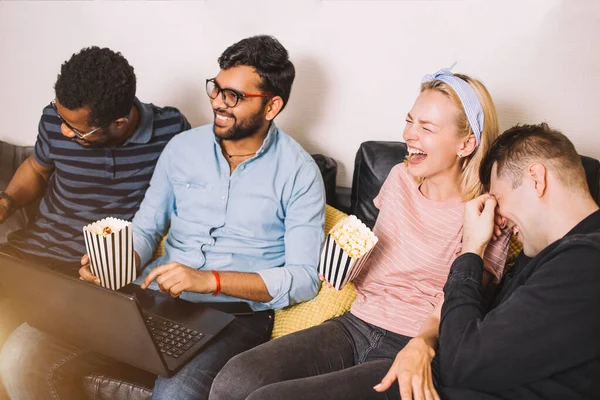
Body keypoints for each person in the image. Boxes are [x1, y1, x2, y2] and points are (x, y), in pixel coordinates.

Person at [1, 35, 325, 400]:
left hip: (235, 317)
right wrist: (117, 264)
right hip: (154, 300)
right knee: (21, 354)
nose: (218, 102)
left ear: (271, 106)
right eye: (216, 89)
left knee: (176, 395)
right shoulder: (182, 149)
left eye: (233, 96)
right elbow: (146, 227)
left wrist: (211, 280)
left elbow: (303, 279)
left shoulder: (300, 173)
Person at [209, 67, 510, 400]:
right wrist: (338, 261)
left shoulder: (485, 213)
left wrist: (423, 342)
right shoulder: (399, 179)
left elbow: (464, 299)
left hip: (417, 348)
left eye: (427, 127)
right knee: (234, 381)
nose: (409, 135)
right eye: (410, 121)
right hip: (355, 324)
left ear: (466, 143)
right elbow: (375, 259)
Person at [431, 123, 600, 399]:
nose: (500, 217)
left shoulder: (587, 261)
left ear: (536, 179)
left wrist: (472, 248)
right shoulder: (543, 255)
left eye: (498, 199)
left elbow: (460, 360)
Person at [0, 46, 189, 274]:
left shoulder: (170, 130)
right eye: (61, 117)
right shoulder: (52, 120)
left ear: (119, 123)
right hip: (30, 249)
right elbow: (36, 169)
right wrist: (6, 202)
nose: (64, 131)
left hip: (94, 267)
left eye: (76, 129)